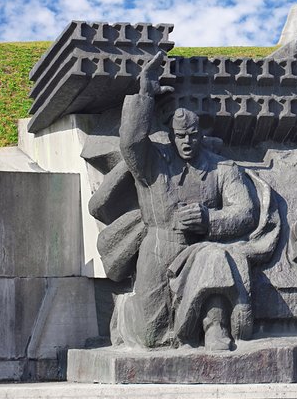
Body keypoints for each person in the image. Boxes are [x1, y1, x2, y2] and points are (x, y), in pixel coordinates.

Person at [112, 51, 262, 351]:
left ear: (200, 135)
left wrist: (209, 220)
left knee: (214, 258)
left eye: (192, 135)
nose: (187, 141)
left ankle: (213, 326)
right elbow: (129, 143)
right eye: (180, 136)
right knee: (151, 337)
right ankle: (126, 311)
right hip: (158, 247)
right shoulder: (153, 164)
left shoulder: (222, 169)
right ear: (171, 136)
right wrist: (145, 96)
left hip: (199, 245)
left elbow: (245, 212)